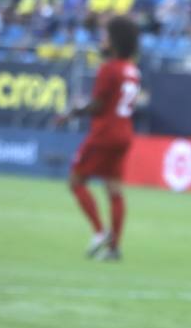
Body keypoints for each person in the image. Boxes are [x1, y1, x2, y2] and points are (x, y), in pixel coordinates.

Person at [53, 15, 142, 261]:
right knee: (114, 188)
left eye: (105, 35)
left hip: (104, 133)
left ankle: (99, 232)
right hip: (124, 133)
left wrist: (72, 111)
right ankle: (113, 248)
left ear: (114, 40)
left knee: (75, 180)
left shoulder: (109, 69)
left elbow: (98, 105)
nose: (102, 40)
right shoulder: (132, 70)